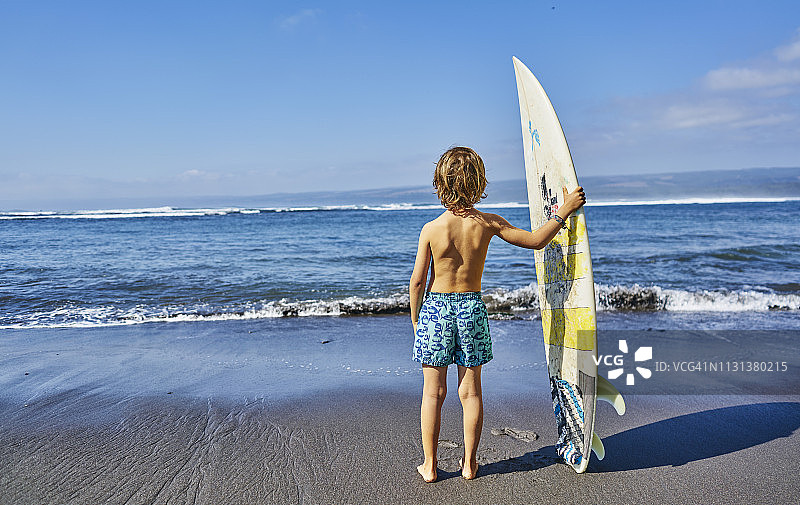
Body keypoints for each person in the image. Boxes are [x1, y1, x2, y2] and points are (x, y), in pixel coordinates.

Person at [409, 146, 586, 482]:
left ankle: (430, 466)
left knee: (433, 392)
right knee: (470, 392)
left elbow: (417, 282)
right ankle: (470, 464)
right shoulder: (487, 223)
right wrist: (565, 209)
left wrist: (417, 319)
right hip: (471, 308)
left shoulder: (431, 229)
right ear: (479, 183)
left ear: (439, 184)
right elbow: (536, 241)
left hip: (436, 310)